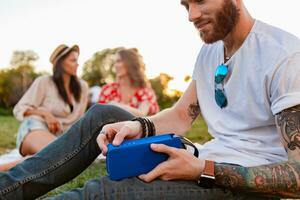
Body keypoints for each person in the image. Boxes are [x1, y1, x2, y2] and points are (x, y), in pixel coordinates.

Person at [1, 0, 300, 199]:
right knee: (102, 114)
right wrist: (139, 126)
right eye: (186, 4)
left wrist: (204, 170)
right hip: (204, 157)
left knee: (105, 192)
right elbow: (183, 115)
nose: (191, 15)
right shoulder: (210, 51)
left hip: (236, 183)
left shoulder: (284, 56)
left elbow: (297, 176)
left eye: (200, 1)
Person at [0, 44, 89, 171]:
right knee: (60, 155)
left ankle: (30, 160)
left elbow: (80, 119)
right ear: (60, 63)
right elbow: (19, 108)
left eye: (77, 60)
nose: (77, 64)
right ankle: (4, 167)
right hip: (35, 127)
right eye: (73, 60)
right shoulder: (44, 81)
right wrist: (45, 114)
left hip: (62, 136)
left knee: (67, 158)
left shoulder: (83, 87)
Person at [98, 48, 159, 116]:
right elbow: (99, 114)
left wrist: (114, 104)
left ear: (130, 63)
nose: (115, 65)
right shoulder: (108, 89)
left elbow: (142, 114)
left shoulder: (145, 91)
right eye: (114, 62)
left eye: (119, 61)